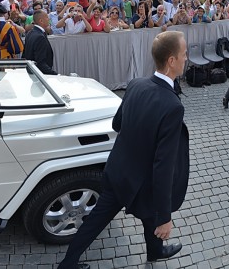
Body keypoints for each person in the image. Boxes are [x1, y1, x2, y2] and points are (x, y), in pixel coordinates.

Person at [57, 31, 190, 269]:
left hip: (119, 172)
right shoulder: (173, 107)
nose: (186, 58)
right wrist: (165, 217)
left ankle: (70, 263)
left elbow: (117, 124)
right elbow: (163, 167)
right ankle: (156, 248)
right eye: (184, 54)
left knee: (96, 220)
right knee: (152, 216)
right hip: (143, 183)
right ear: (171, 60)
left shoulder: (136, 84)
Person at [21, 9, 57, 75]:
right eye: (46, 17)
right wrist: (55, 75)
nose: (49, 18)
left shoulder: (30, 33)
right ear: (41, 21)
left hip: (31, 73)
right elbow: (40, 63)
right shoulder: (39, 37)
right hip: (40, 76)